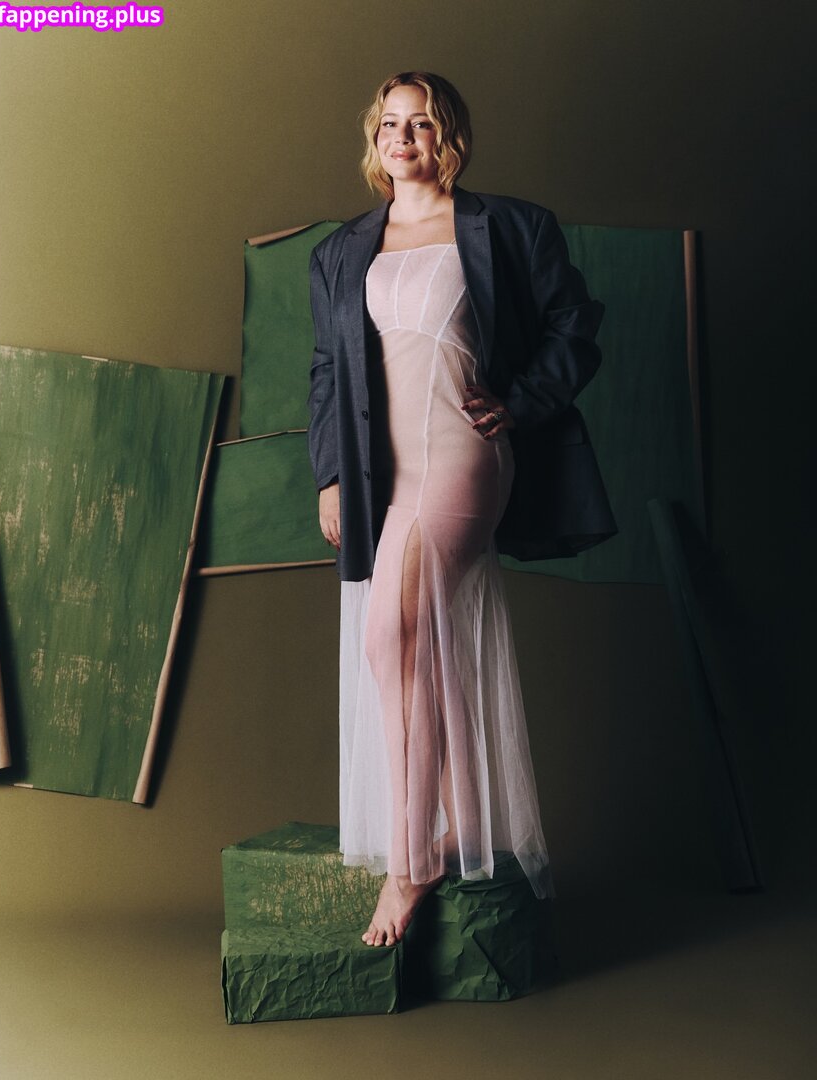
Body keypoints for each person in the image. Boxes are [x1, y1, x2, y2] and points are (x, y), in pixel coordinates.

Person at [307, 71, 616, 948]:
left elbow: (575, 325)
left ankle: (411, 864)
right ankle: (459, 828)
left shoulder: (511, 226)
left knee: (389, 634)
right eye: (389, 123)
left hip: (463, 455)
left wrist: (519, 402)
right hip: (383, 475)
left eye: (421, 123)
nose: (402, 137)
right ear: (374, 138)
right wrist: (330, 476)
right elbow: (327, 370)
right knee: (416, 650)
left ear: (449, 136)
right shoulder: (340, 251)